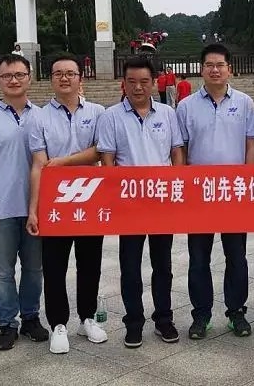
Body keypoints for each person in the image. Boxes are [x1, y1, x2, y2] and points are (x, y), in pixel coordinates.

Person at [97, 55, 184, 349]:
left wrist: (177, 187)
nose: (138, 87)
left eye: (144, 81)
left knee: (163, 265)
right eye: (131, 81)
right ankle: (133, 323)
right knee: (130, 266)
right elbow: (108, 160)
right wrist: (114, 197)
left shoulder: (167, 113)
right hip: (129, 204)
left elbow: (176, 152)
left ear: (154, 82)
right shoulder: (110, 116)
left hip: (161, 201)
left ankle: (164, 319)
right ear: (123, 83)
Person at [27, 55, 108, 354]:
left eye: (70, 73)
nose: (64, 78)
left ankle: (87, 318)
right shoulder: (38, 117)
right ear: (50, 79)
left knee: (90, 263)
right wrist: (33, 209)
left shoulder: (98, 112)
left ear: (80, 78)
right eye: (58, 73)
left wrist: (62, 162)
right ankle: (58, 324)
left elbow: (100, 151)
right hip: (55, 202)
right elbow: (39, 164)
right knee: (54, 265)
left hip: (90, 198)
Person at [176, 44, 254, 340]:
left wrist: (248, 181)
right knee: (199, 258)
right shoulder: (186, 106)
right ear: (201, 69)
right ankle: (201, 314)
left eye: (220, 64)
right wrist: (184, 186)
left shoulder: (245, 102)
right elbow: (181, 149)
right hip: (200, 194)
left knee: (237, 256)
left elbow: (250, 144)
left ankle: (236, 312)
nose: (214, 70)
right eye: (209, 65)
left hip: (233, 192)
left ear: (229, 69)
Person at [0, 54, 48, 350]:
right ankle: (7, 323)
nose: (13, 80)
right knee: (3, 271)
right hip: (1, 208)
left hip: (35, 208)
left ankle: (30, 317)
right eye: (7, 76)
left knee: (34, 268)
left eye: (19, 75)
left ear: (29, 77)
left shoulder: (41, 115)